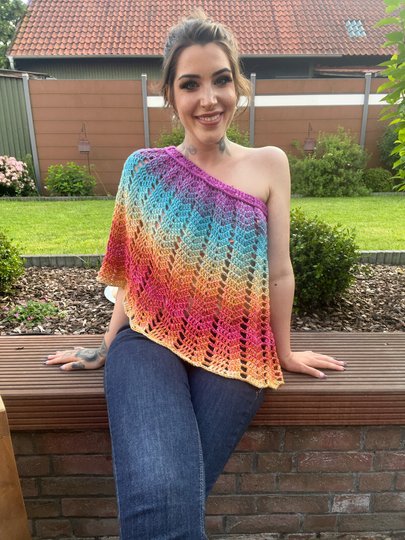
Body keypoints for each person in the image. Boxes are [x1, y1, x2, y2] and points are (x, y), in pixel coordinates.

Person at [45, 12, 346, 540]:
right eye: (190, 84)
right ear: (170, 95)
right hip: (146, 341)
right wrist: (105, 347)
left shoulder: (270, 163)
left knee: (167, 498)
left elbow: (279, 272)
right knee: (162, 493)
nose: (209, 99)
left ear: (238, 85)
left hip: (237, 350)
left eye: (221, 80)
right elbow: (132, 274)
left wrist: (283, 350)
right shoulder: (144, 170)